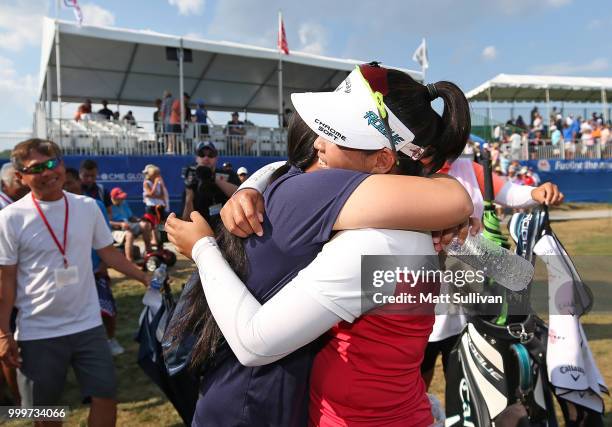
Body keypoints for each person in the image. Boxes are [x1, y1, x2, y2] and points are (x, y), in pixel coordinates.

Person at [166, 63, 474, 426]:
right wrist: (253, 185)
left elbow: (254, 343)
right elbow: (289, 168)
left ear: (382, 160)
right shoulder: (402, 222)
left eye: (336, 134)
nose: (316, 143)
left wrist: (203, 248)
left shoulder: (374, 244)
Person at [0, 139, 151, 426]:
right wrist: (3, 333)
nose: (47, 172)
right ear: (20, 176)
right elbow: (4, 282)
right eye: (36, 168)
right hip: (37, 331)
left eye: (52, 163)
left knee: (106, 395)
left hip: (87, 325)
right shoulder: (9, 218)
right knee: (44, 412)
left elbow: (108, 253)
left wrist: (143, 276)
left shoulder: (88, 207)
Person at [63, 168, 124, 356]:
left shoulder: (95, 205)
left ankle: (110, 339)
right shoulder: (56, 208)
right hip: (69, 273)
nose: (66, 187)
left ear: (77, 182)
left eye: (69, 182)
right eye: (63, 184)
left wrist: (104, 265)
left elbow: (105, 241)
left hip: (97, 268)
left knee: (106, 308)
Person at [181, 141, 240, 224]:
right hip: (202, 230)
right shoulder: (192, 181)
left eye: (210, 155)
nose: (206, 158)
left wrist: (213, 178)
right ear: (196, 158)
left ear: (216, 158)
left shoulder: (226, 174)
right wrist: (189, 197)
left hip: (225, 228)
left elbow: (239, 193)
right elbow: (186, 220)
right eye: (202, 154)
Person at [109, 187, 153, 262]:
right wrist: (120, 224)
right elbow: (107, 222)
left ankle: (148, 252)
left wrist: (139, 220)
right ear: (113, 198)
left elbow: (130, 217)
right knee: (129, 234)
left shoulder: (124, 203)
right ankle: (129, 261)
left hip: (127, 225)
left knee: (145, 225)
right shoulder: (108, 206)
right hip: (114, 230)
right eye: (120, 198)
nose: (122, 199)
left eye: (122, 197)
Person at [142, 164, 169, 248]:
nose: (158, 176)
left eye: (158, 174)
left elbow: (161, 195)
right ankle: (154, 240)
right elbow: (150, 193)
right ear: (151, 174)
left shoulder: (159, 183)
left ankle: (161, 240)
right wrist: (155, 184)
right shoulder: (146, 182)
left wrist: (159, 185)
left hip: (159, 206)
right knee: (153, 224)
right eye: (155, 174)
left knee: (161, 223)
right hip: (151, 206)